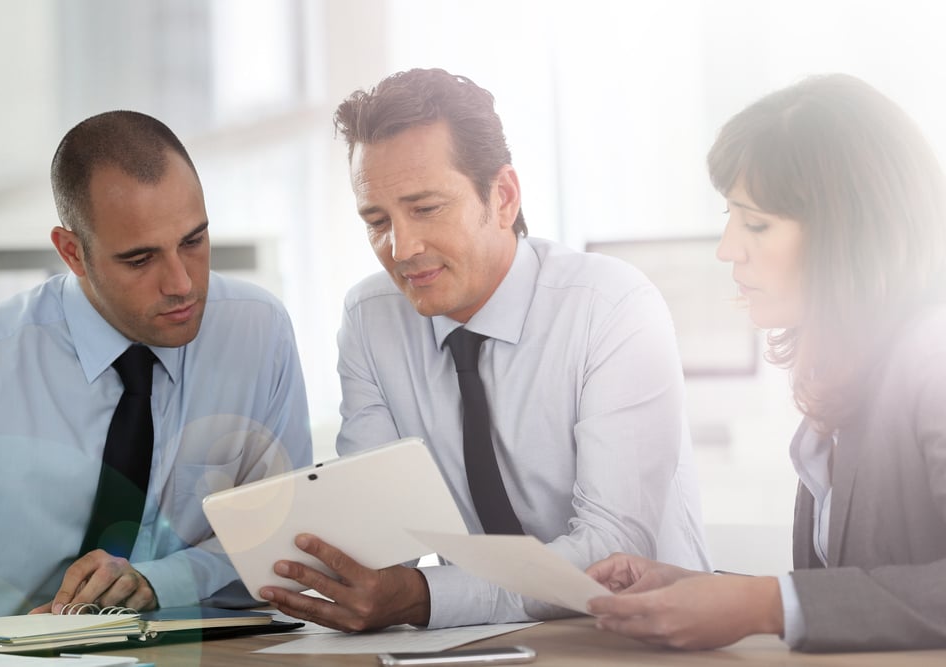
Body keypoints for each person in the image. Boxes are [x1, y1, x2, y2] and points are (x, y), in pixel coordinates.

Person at [260, 67, 709, 632]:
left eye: (425, 208)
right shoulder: (370, 319)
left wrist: (424, 597)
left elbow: (612, 549)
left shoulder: (612, 306)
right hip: (477, 640)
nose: (401, 248)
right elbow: (374, 535)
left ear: (502, 197)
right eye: (377, 220)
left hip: (637, 637)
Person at [586, 73, 946, 652]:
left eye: (755, 222)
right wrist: (709, 593)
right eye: (730, 216)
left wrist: (763, 604)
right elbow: (865, 596)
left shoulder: (934, 356)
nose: (728, 247)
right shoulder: (846, 378)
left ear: (850, 233)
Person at [0, 110, 312, 619]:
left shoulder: (257, 332)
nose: (181, 283)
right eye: (140, 260)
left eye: (194, 241)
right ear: (73, 253)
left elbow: (283, 535)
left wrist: (162, 581)